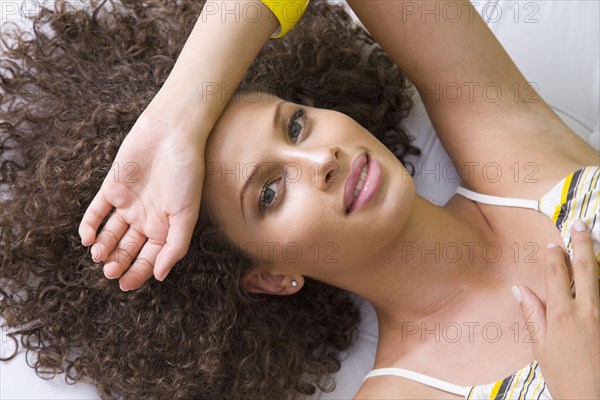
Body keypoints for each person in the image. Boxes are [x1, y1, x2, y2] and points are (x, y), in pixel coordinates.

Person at [1, 1, 598, 400]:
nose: (322, 162)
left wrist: (177, 116)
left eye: (295, 127)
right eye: (268, 191)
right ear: (272, 276)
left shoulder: (509, 144)